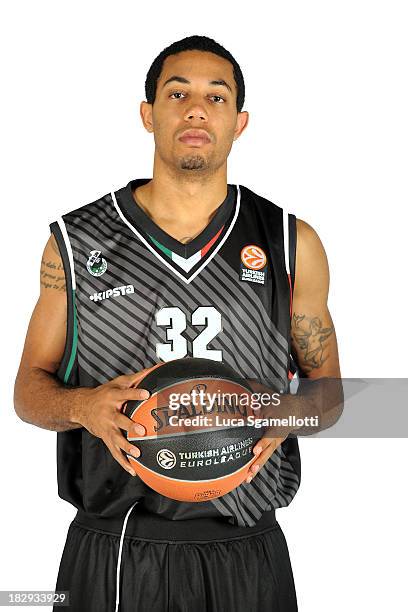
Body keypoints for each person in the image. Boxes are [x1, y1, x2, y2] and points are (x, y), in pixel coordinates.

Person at [14, 35, 342, 612]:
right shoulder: (78, 241)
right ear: (148, 115)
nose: (196, 109)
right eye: (177, 93)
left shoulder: (291, 244)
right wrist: (83, 406)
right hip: (115, 545)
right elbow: (27, 391)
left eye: (217, 97)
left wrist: (280, 414)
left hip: (247, 545)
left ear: (239, 123)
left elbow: (330, 396)